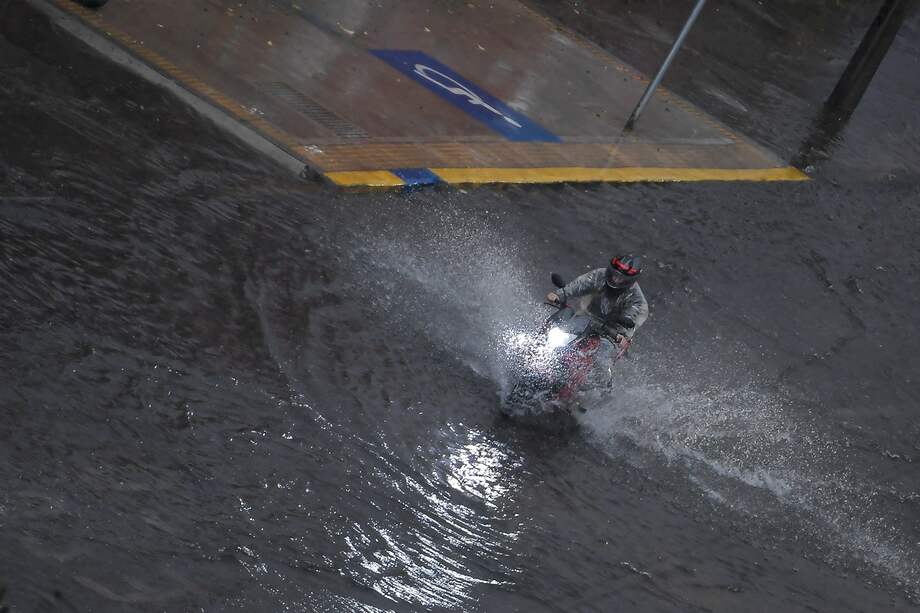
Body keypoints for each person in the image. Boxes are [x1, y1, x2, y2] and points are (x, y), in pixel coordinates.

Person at [546, 254, 649, 356]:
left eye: (620, 278)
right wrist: (559, 294)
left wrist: (622, 327)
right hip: (585, 319)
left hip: (612, 334)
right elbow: (580, 285)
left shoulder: (638, 302)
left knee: (601, 355)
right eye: (614, 274)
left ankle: (597, 372)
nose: (615, 279)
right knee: (561, 319)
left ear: (630, 280)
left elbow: (630, 319)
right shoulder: (600, 275)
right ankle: (537, 341)